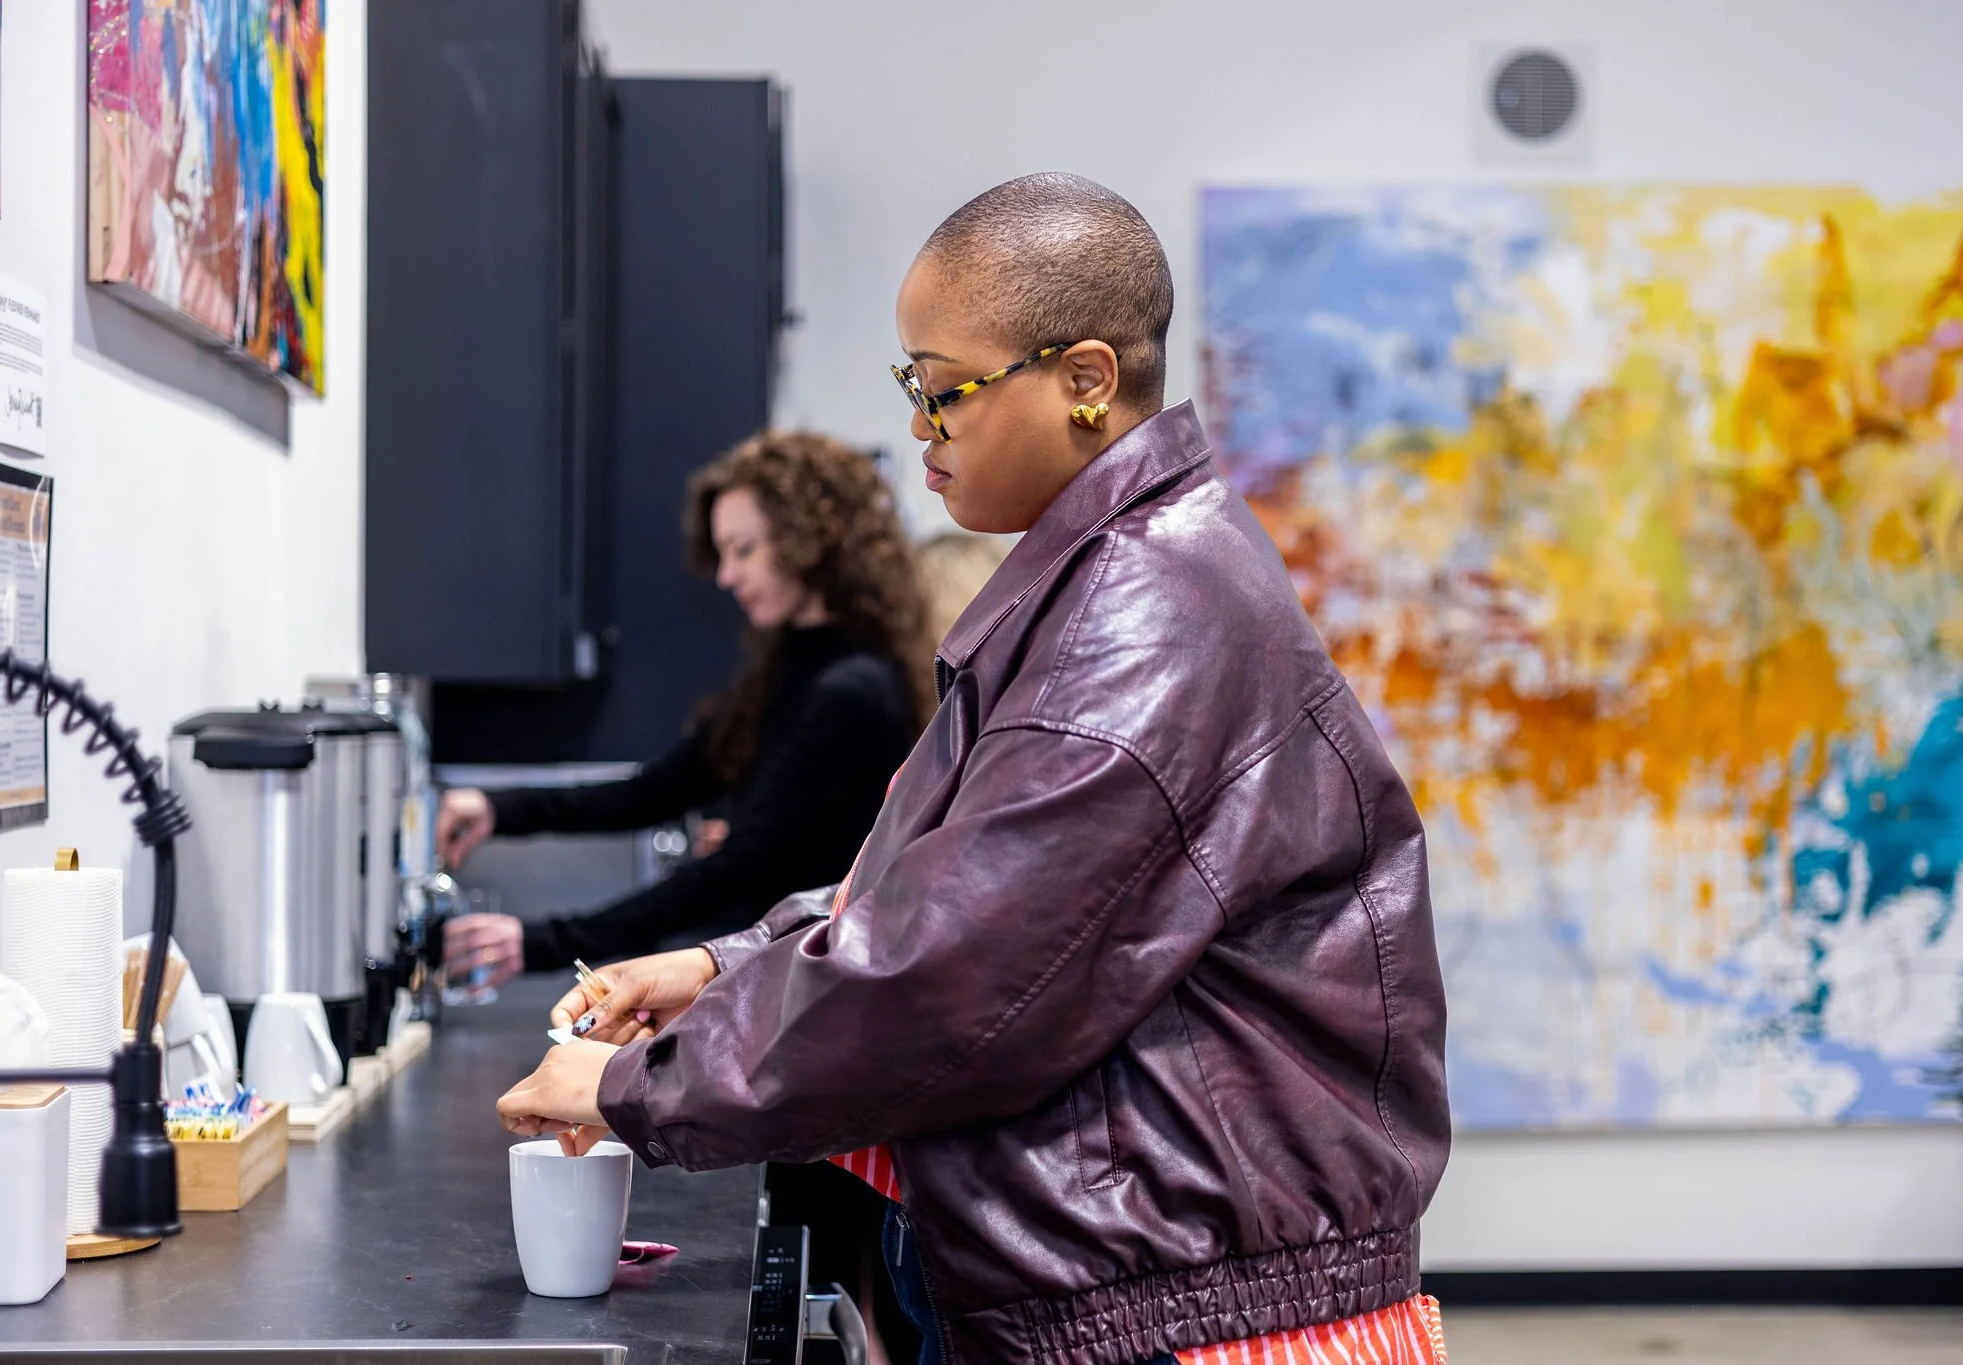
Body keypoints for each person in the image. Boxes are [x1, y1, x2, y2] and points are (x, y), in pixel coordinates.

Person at [497, 173, 1451, 1365]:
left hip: (1165, 1311)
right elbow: (943, 895)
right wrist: (716, 966)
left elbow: (940, 976)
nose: (921, 430)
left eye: (945, 392)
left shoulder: (1138, 616)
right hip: (1128, 1275)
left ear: (1086, 381)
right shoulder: (1106, 584)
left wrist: (632, 1088)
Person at [438, 431, 933, 982]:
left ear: (807, 540)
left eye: (744, 550)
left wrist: (547, 943)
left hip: (809, 990)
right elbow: (653, 791)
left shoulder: (851, 691)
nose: (727, 576)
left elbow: (741, 868)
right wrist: (497, 809)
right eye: (722, 554)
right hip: (776, 978)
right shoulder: (790, 669)